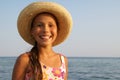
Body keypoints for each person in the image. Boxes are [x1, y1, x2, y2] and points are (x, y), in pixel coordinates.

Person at [12, 1, 72, 80]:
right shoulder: (25, 59)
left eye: (50, 25)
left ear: (57, 30)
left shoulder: (63, 60)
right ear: (32, 31)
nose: (45, 30)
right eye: (39, 25)